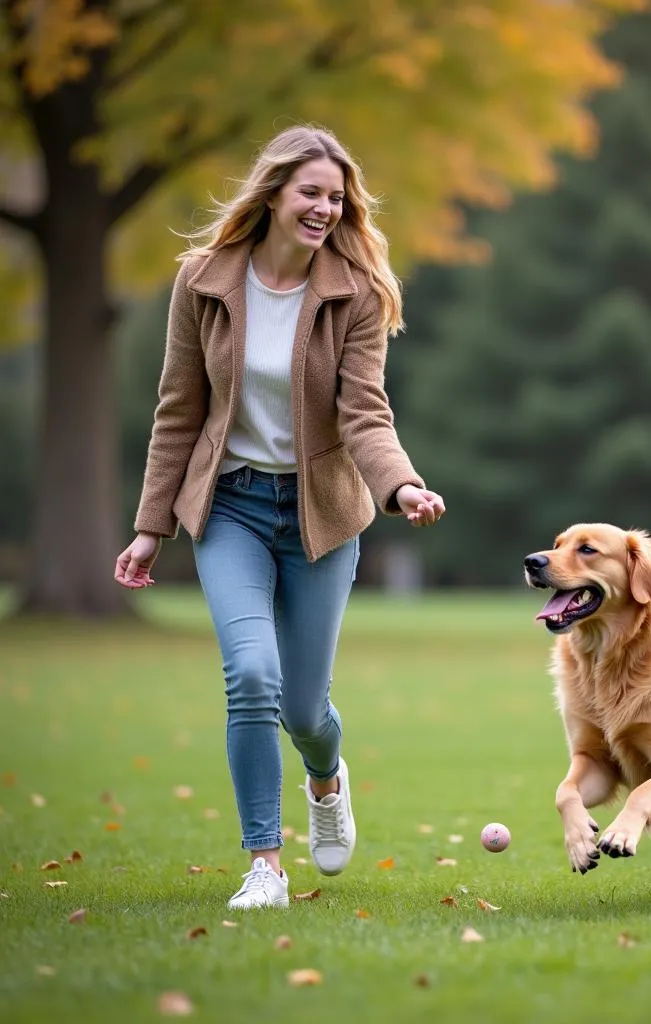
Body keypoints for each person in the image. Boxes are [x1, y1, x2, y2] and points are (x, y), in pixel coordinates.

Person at [114, 124, 445, 909]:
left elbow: (365, 412)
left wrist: (401, 487)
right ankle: (265, 863)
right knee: (251, 678)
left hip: (321, 516)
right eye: (312, 193)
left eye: (337, 197)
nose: (326, 209)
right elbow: (178, 410)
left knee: (304, 706)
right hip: (230, 507)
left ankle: (327, 781)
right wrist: (150, 524)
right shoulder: (203, 280)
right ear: (272, 194)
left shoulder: (355, 292)